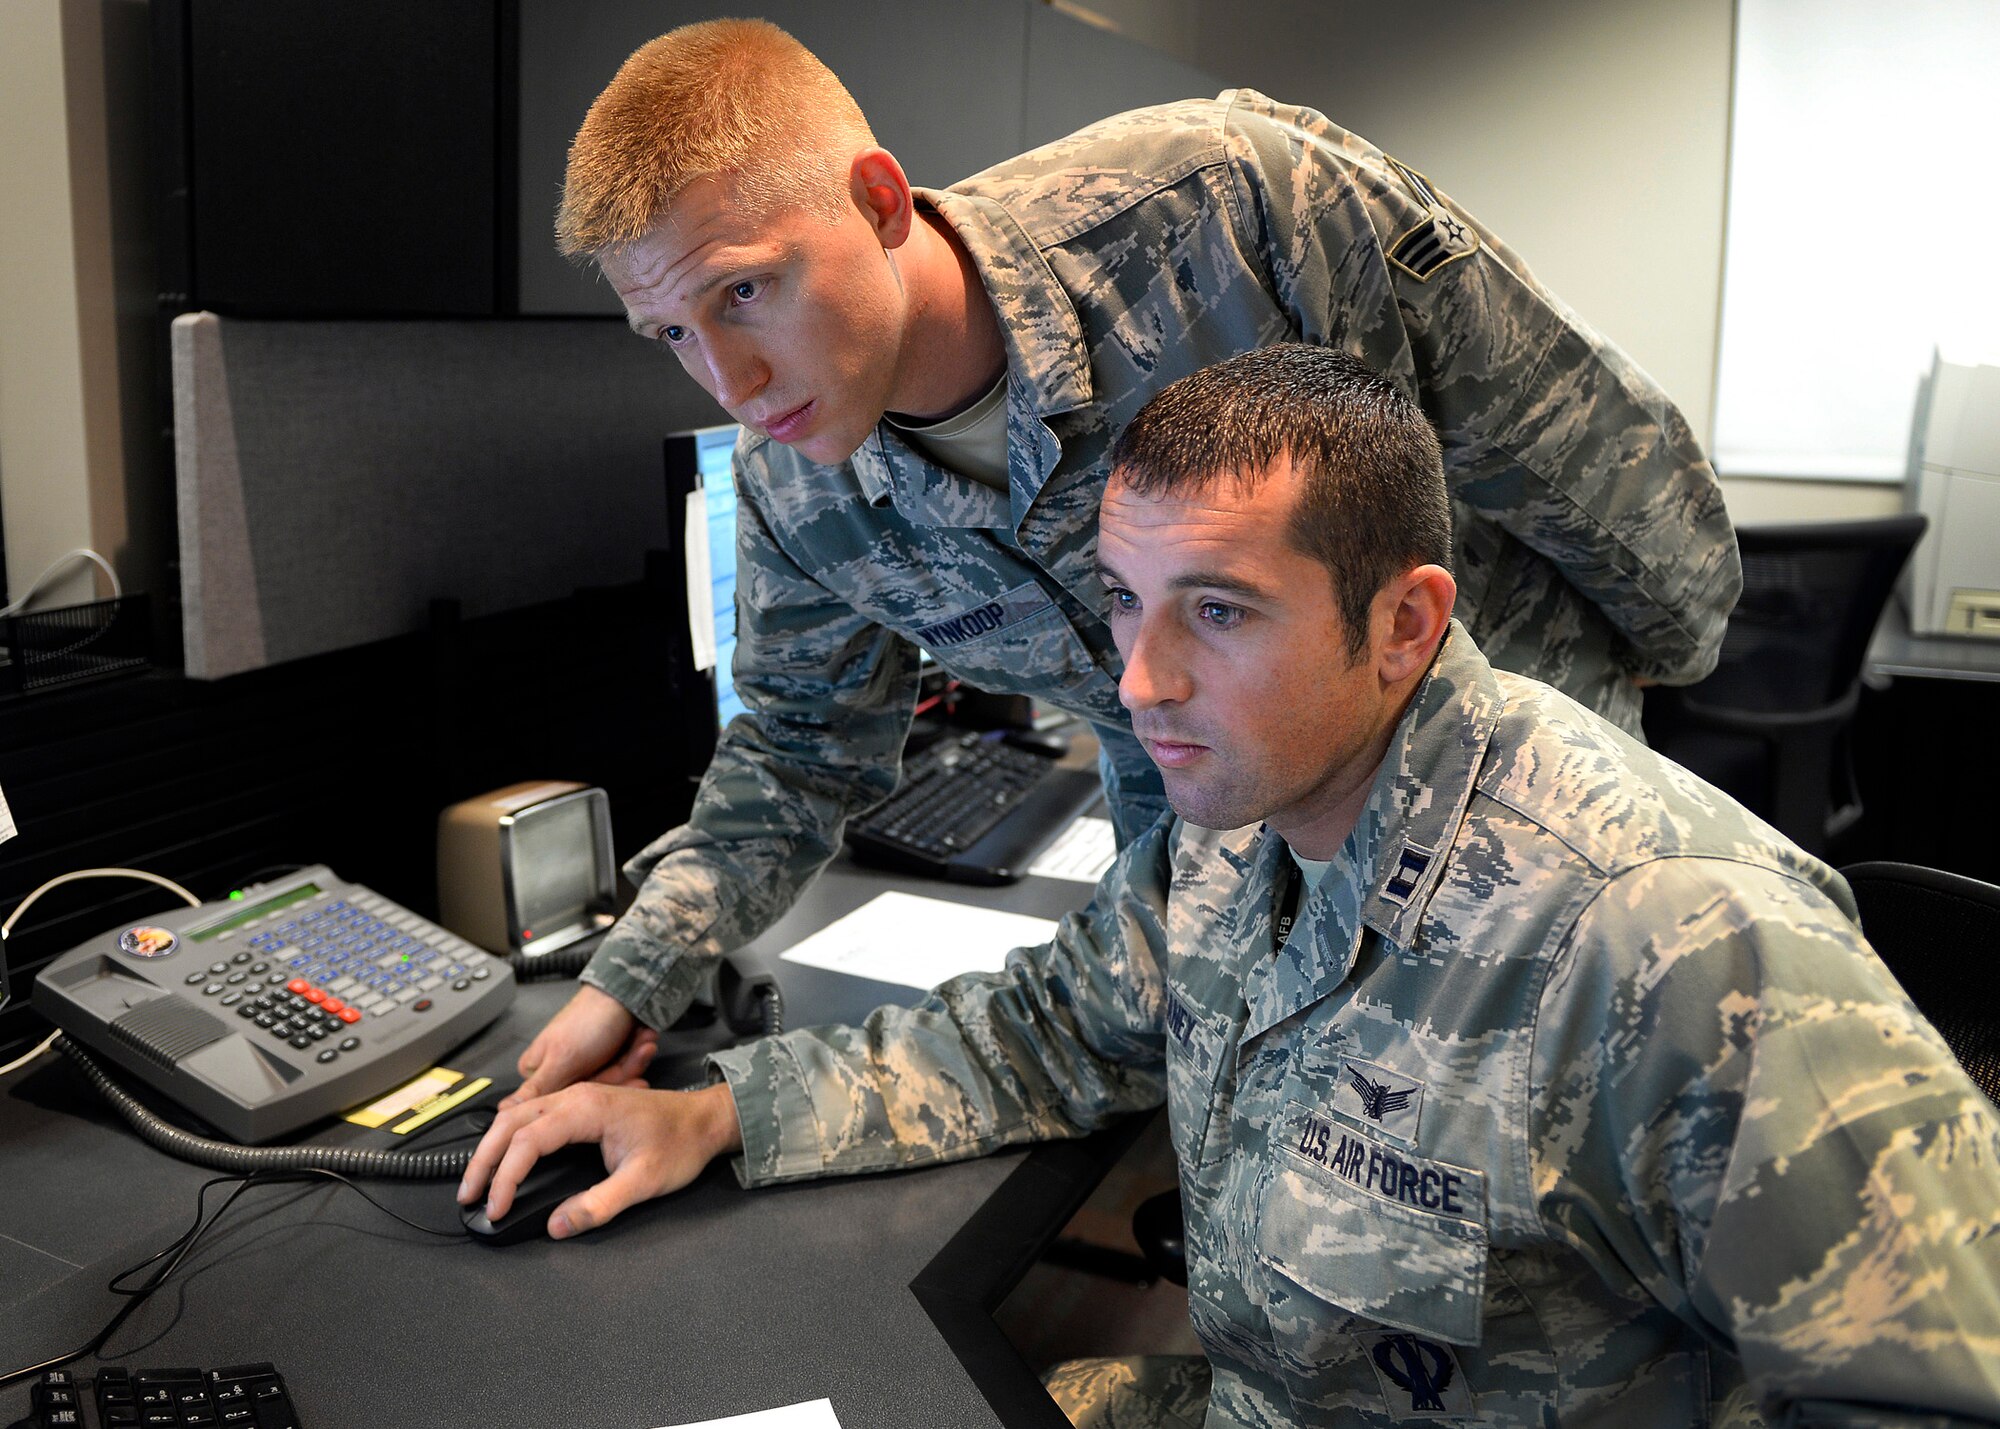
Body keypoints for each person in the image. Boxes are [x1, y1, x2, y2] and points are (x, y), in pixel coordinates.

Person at [462, 346, 2000, 1428]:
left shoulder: (1666, 933)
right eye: (1128, 603)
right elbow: (1037, 1033)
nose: (1141, 682)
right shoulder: (1241, 818)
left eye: (1218, 609)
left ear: (1404, 624)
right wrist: (716, 1110)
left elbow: (1941, 1387)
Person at [510, 18, 1743, 1109]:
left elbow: (1588, 453)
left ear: (879, 204)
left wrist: (1673, 722)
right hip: (1207, 855)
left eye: (744, 294)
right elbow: (792, 754)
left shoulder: (1235, 210)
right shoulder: (794, 482)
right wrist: (628, 984)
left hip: (1512, 804)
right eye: (670, 330)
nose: (728, 380)